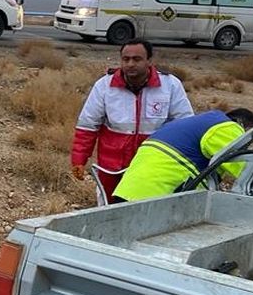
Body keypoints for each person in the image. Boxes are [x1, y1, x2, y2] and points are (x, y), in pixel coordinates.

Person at [71, 39, 193, 202]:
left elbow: (186, 126)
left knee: (148, 208)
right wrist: (79, 159)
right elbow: (87, 126)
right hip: (112, 166)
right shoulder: (105, 86)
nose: (130, 64)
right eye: (125, 59)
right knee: (108, 208)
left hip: (153, 163)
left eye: (137, 59)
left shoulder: (170, 85)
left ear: (149, 61)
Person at [111, 109, 253, 202]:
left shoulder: (199, 123)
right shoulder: (228, 127)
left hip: (128, 192)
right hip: (155, 198)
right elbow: (246, 170)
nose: (249, 145)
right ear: (242, 125)